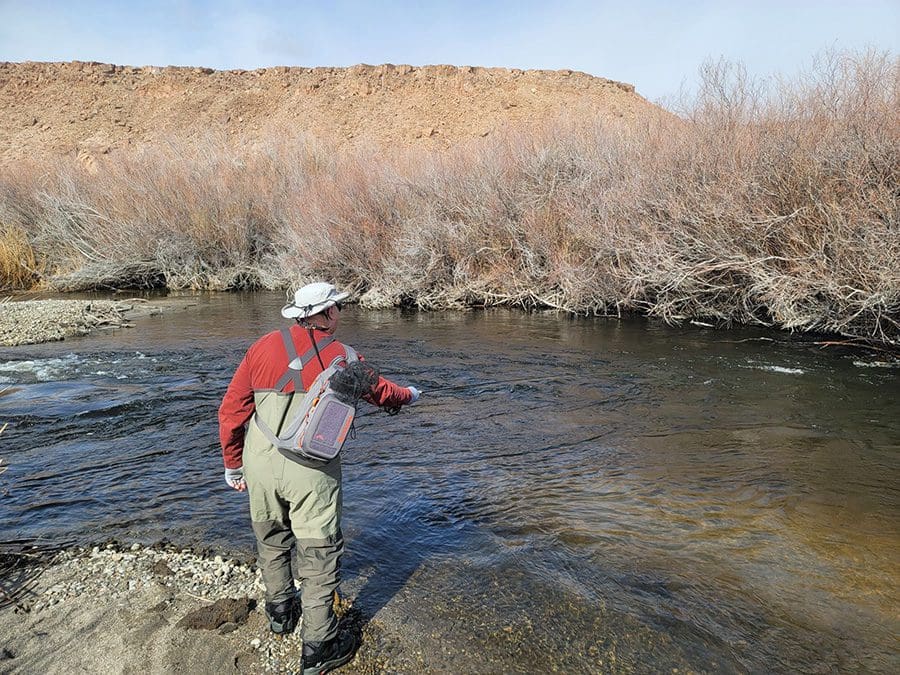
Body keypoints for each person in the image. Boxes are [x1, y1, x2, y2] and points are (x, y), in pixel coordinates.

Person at [218, 281, 420, 675]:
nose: (340, 312)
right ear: (325, 314)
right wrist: (410, 394)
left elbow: (231, 411)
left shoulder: (262, 346)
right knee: (319, 553)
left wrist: (233, 464)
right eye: (337, 307)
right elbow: (383, 393)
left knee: (271, 537)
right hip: (311, 470)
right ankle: (319, 646)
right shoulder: (344, 357)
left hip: (260, 462)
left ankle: (280, 612)